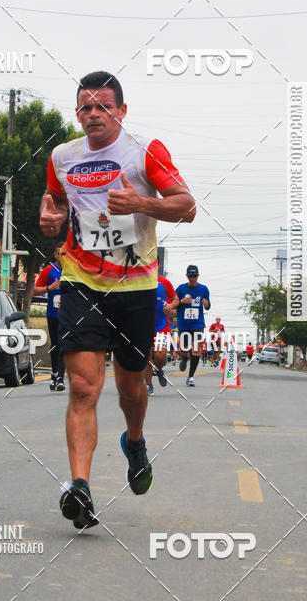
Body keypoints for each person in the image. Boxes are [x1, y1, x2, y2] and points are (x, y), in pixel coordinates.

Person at [40, 71, 195, 529]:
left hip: (136, 289)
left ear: (121, 111)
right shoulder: (62, 156)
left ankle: (135, 440)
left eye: (103, 106)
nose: (94, 114)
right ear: (77, 113)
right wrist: (51, 217)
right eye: (85, 107)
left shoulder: (146, 151)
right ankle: (80, 488)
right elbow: (55, 200)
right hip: (81, 282)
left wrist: (141, 205)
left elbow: (187, 206)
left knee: (131, 390)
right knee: (83, 387)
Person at [34, 244, 65, 391]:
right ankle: (54, 373)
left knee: (63, 343)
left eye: (65, 254)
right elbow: (35, 290)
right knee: (56, 344)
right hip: (53, 314)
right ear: (55, 254)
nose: (62, 257)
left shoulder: (73, 270)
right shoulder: (49, 270)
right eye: (60, 253)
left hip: (68, 314)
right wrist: (49, 288)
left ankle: (60, 378)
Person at [174, 266, 210, 386]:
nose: (193, 278)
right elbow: (173, 303)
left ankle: (190, 377)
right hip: (184, 324)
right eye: (190, 276)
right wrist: (182, 301)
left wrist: (206, 304)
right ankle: (184, 358)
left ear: (198, 276)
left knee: (195, 350)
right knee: (184, 349)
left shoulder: (204, 289)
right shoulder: (180, 289)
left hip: (198, 323)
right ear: (187, 276)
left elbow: (208, 306)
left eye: (194, 276)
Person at [145, 273, 178, 394]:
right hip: (145, 326)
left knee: (160, 356)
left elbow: (176, 299)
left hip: (162, 326)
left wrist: (170, 306)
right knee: (147, 356)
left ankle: (159, 370)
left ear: (157, 265)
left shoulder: (165, 282)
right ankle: (148, 385)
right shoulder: (139, 279)